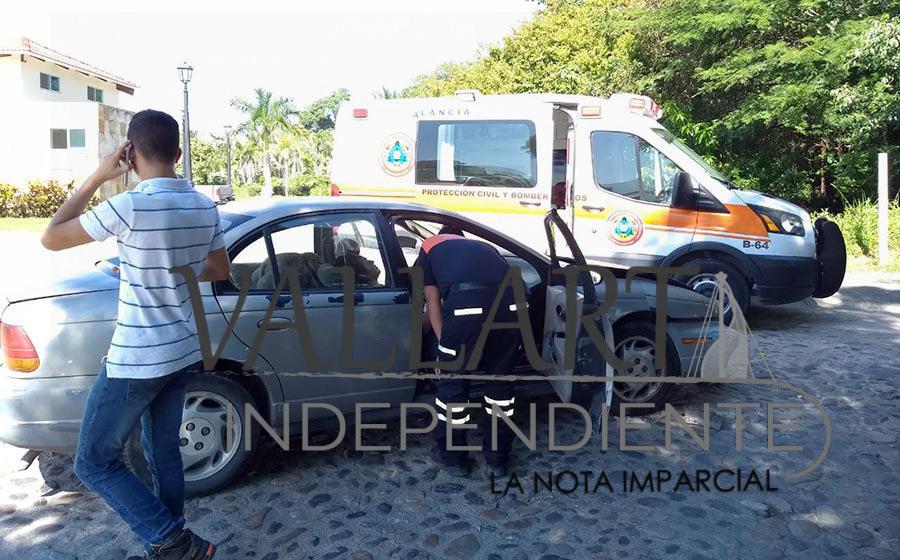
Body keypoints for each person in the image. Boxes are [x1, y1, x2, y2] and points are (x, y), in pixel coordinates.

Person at [41, 109, 230, 560]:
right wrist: (174, 268)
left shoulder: (130, 204)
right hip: (182, 349)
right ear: (178, 153)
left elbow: (51, 236)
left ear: (130, 152)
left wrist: (97, 176)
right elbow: (220, 268)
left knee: (92, 463)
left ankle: (171, 541)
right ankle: (173, 543)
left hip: (138, 358)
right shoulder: (205, 205)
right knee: (162, 451)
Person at [415, 225, 523, 477]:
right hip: (513, 307)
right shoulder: (485, 247)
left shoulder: (429, 246)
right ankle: (497, 459)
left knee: (452, 389)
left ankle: (455, 460)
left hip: (467, 308)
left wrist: (444, 351)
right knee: (500, 389)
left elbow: (433, 302)